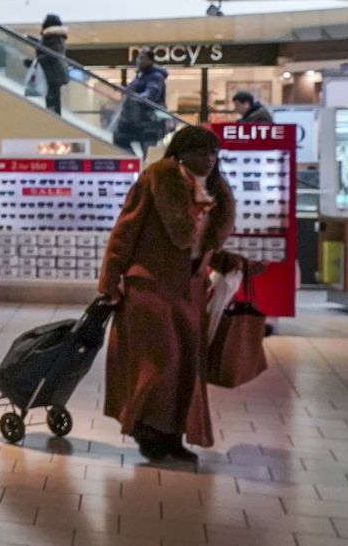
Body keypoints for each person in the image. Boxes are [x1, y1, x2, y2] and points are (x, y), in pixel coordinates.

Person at [100, 125, 242, 461]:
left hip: (190, 289)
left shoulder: (217, 192)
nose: (207, 159)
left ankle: (172, 436)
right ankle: (148, 432)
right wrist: (110, 280)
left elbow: (200, 245)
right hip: (149, 285)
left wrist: (228, 261)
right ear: (181, 152)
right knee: (158, 362)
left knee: (186, 367)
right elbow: (125, 232)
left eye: (212, 152)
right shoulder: (156, 180)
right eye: (199, 152)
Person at [111, 48, 170, 158]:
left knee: (147, 151)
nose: (139, 61)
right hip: (134, 121)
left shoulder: (155, 76)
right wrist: (124, 90)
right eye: (138, 58)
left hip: (148, 122)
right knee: (119, 137)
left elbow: (152, 93)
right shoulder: (140, 76)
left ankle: (143, 166)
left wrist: (137, 97)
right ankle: (136, 162)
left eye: (142, 58)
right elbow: (133, 91)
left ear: (150, 60)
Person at [36, 14, 69, 116]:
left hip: (52, 72)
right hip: (56, 71)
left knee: (51, 96)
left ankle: (52, 117)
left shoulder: (51, 37)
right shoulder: (58, 37)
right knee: (54, 95)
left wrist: (37, 60)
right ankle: (54, 116)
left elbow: (52, 54)